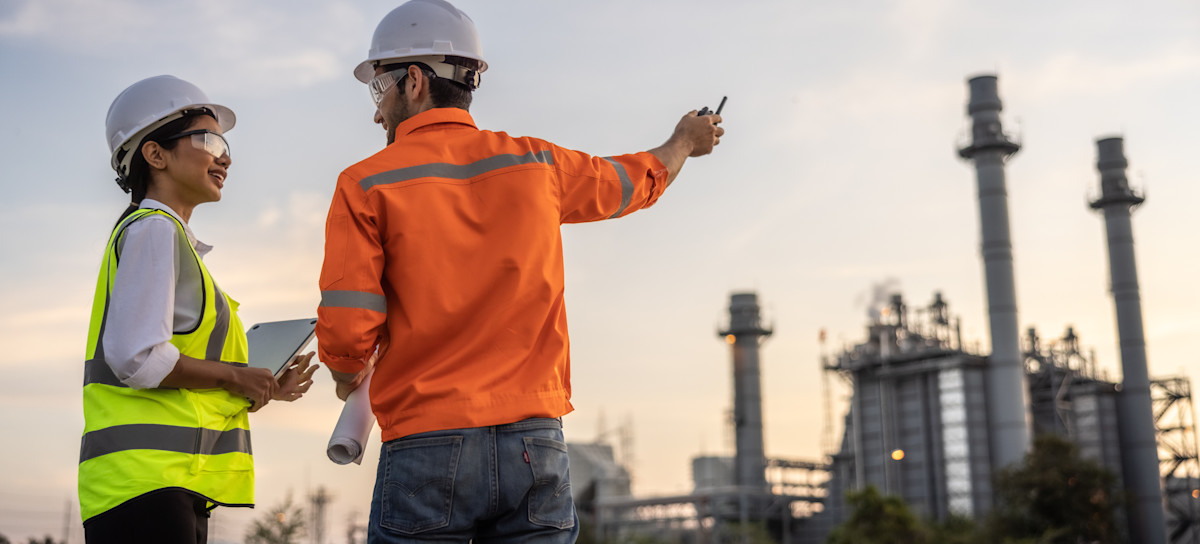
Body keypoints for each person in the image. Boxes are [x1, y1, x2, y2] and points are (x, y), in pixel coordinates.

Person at [316, 0, 723, 541]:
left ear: (413, 81)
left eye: (378, 90)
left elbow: (348, 324)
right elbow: (632, 182)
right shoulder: (538, 166)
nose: (376, 111)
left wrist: (349, 376)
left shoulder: (365, 183)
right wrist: (684, 143)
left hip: (425, 439)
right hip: (535, 444)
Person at [79, 75, 319, 544]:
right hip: (146, 487)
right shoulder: (153, 231)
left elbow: (178, 379)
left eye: (225, 143)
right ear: (155, 154)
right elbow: (137, 358)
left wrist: (259, 383)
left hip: (161, 485)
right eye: (208, 140)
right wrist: (235, 376)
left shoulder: (166, 240)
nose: (225, 156)